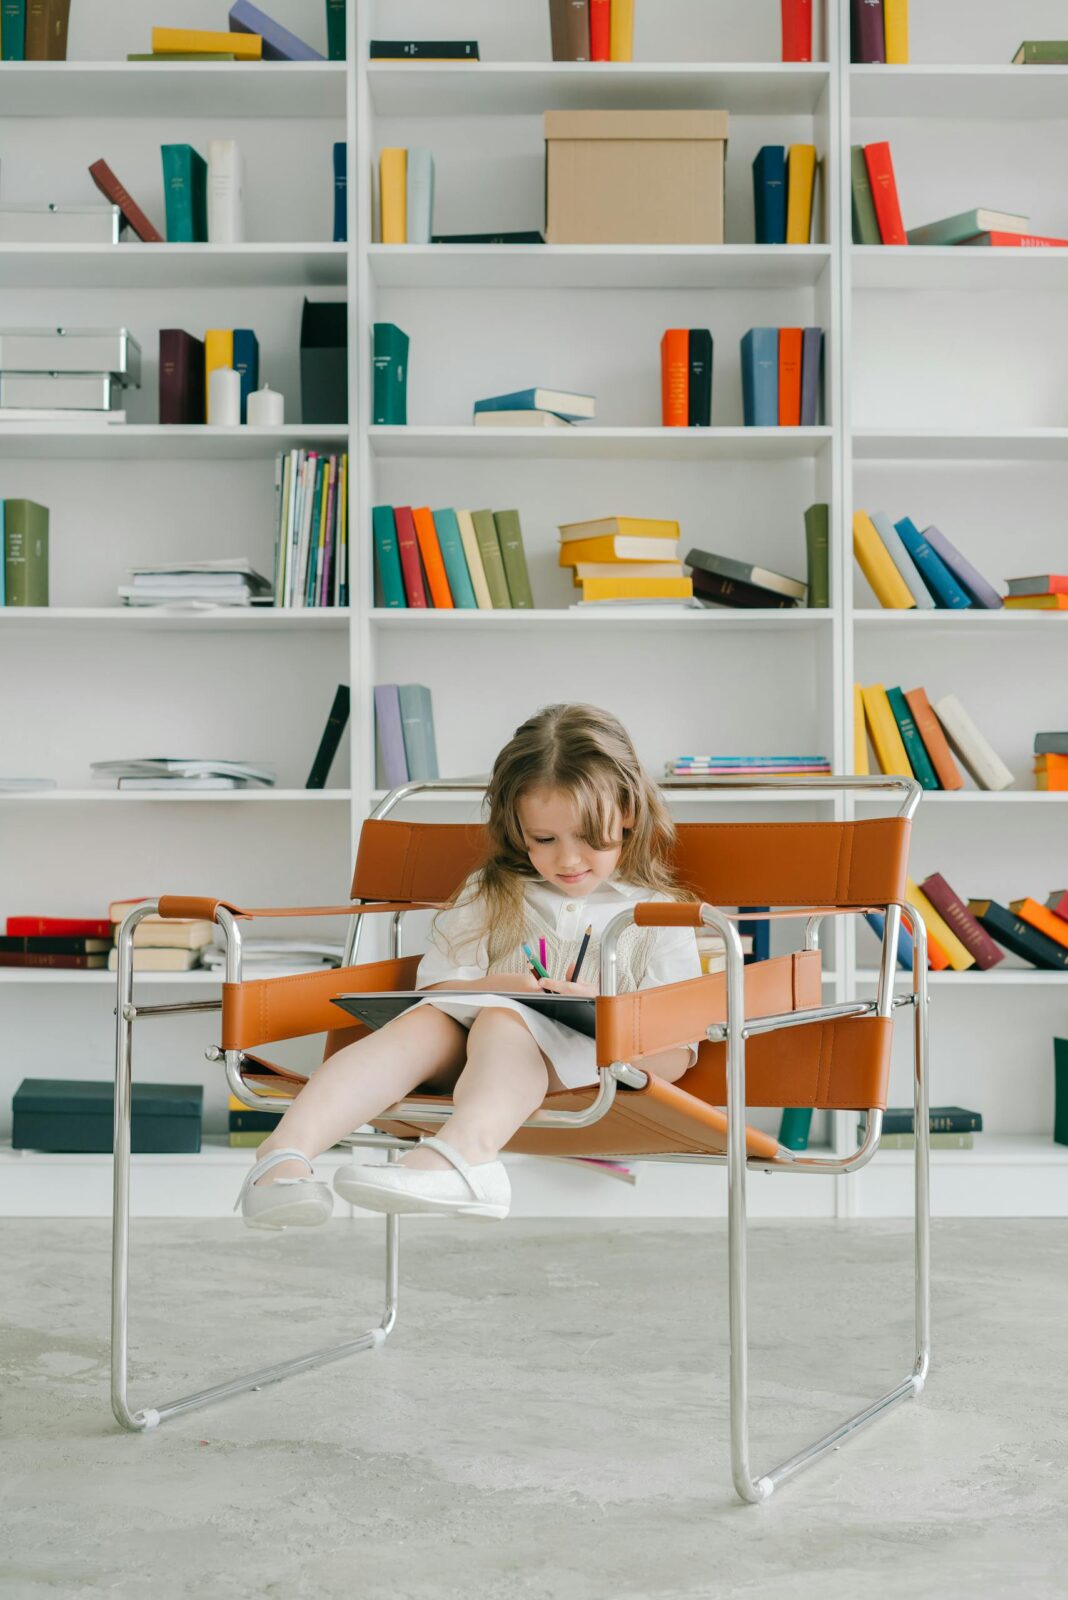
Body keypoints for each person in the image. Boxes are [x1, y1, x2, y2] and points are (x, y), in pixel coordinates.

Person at [235, 703, 701, 1228]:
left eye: (590, 838)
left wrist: (603, 1016)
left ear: (629, 812)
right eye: (544, 840)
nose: (568, 860)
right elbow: (436, 986)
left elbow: (678, 1054)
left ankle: (464, 1156)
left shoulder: (658, 915)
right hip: (462, 1055)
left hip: (577, 1074)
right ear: (517, 827)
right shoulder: (491, 891)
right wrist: (501, 986)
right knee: (425, 1023)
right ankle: (282, 1157)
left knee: (506, 1021)